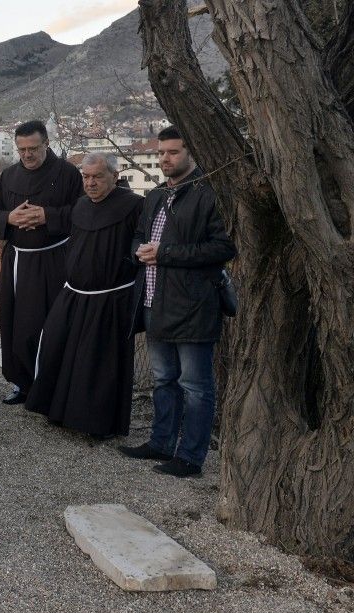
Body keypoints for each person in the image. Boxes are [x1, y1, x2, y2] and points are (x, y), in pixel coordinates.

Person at [118, 126, 237, 477]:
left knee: (196, 387)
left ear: (191, 153)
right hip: (154, 301)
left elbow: (224, 247)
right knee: (163, 379)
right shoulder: (155, 196)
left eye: (172, 152)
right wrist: (138, 250)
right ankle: (161, 442)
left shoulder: (210, 194)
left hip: (193, 306)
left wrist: (165, 253)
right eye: (161, 153)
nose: (165, 159)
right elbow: (140, 236)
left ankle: (190, 457)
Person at [26, 153, 141, 437]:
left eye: (97, 177)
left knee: (97, 363)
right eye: (86, 177)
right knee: (57, 347)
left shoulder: (134, 206)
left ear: (114, 176)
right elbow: (61, 219)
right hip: (74, 293)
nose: (90, 183)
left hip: (109, 298)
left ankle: (96, 424)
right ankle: (57, 410)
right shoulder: (80, 204)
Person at [0, 120, 83, 405]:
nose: (27, 155)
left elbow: (83, 211)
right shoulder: (7, 176)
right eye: (22, 149)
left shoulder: (67, 174)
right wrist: (9, 218)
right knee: (17, 323)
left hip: (54, 260)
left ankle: (52, 387)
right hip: (17, 261)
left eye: (33, 148)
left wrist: (47, 216)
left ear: (46, 144)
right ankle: (23, 383)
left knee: (51, 323)